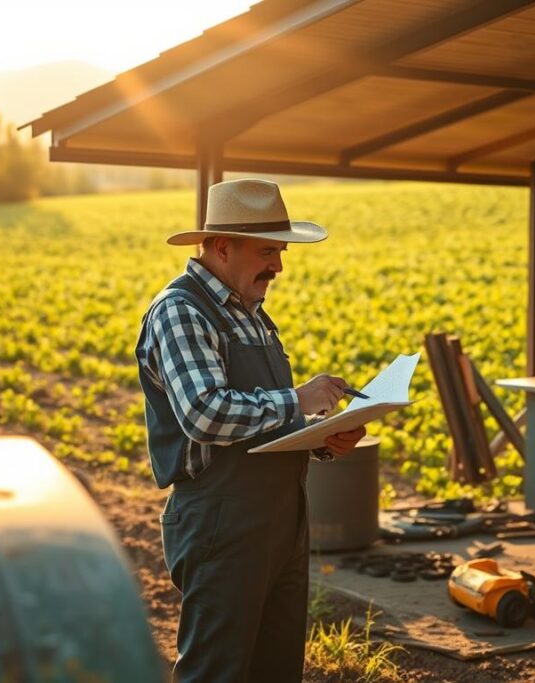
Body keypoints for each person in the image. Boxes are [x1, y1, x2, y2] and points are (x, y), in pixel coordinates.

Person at [135, 178, 366, 682]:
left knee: (276, 669)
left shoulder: (251, 315)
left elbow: (259, 420)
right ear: (222, 247)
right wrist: (298, 398)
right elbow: (204, 412)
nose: (279, 267)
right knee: (217, 671)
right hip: (222, 522)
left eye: (280, 252)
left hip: (280, 517)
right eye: (268, 252)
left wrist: (320, 438)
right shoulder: (180, 311)